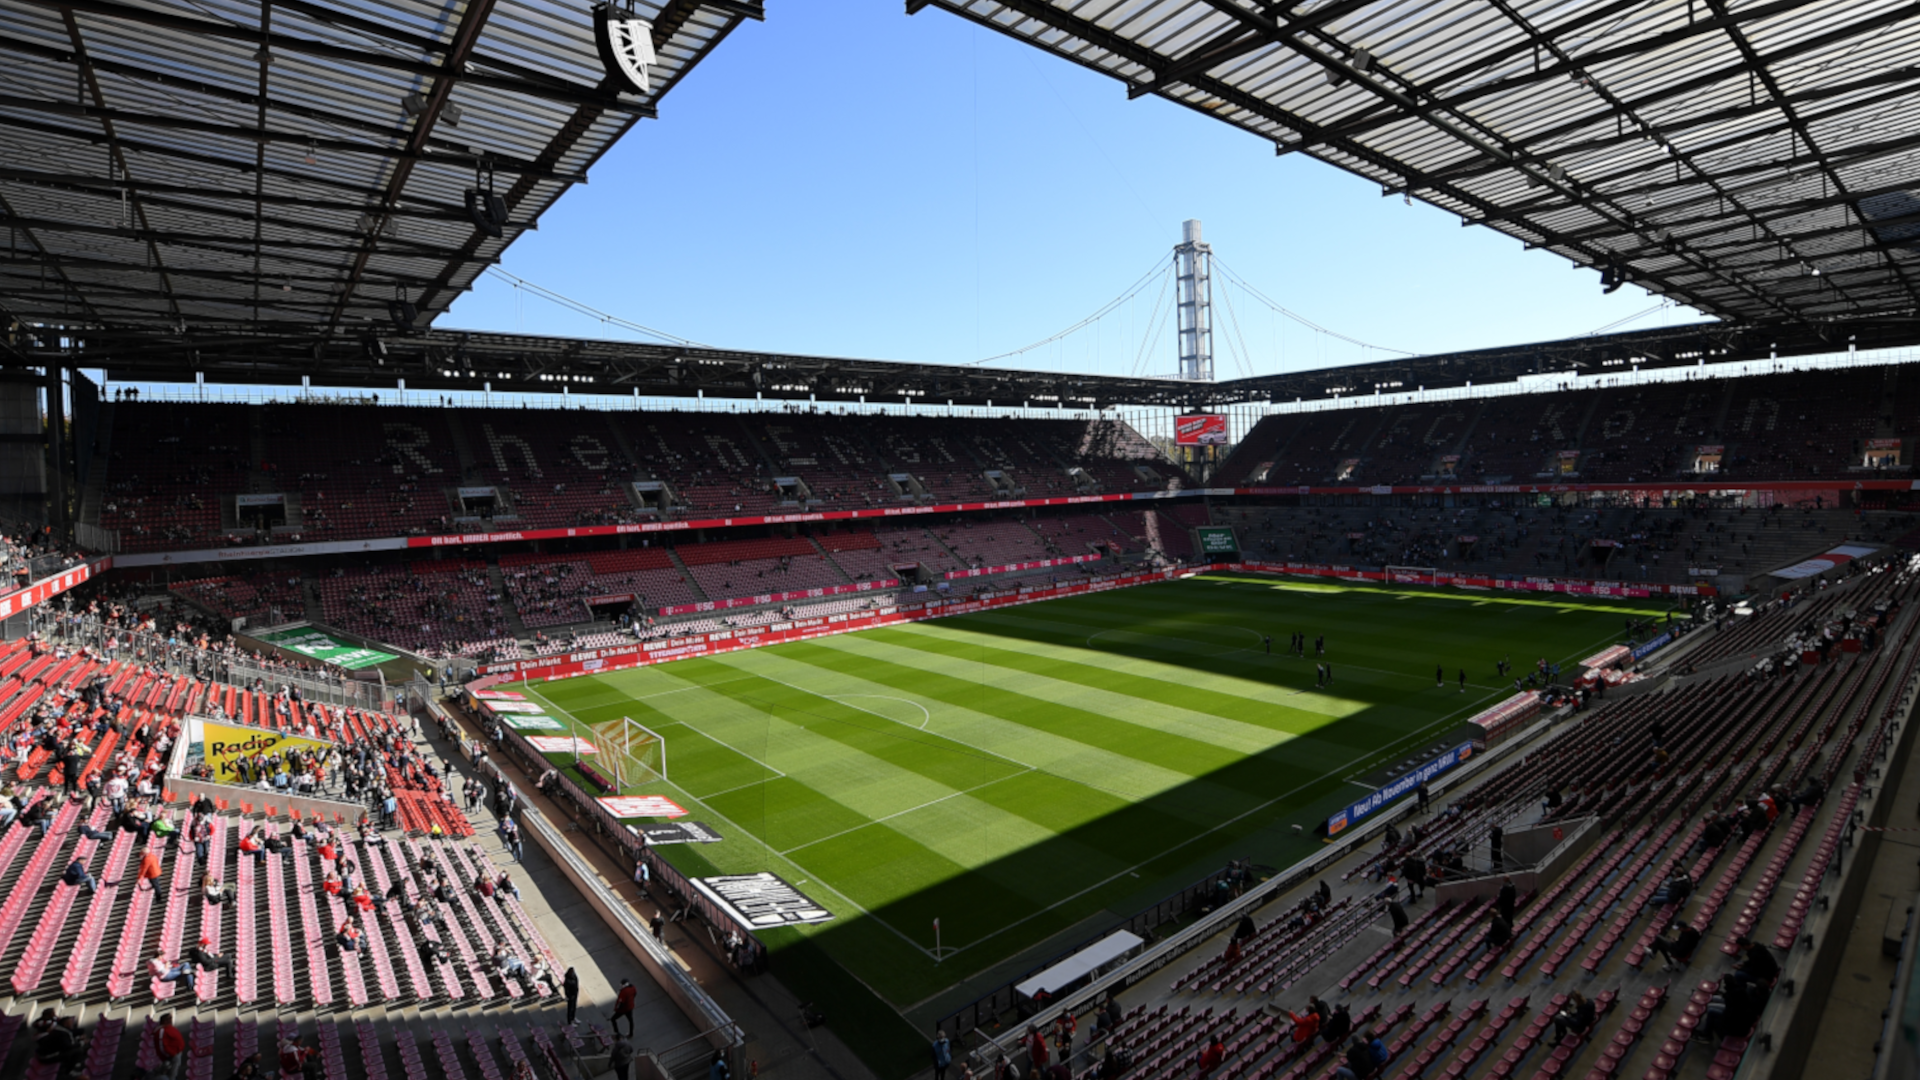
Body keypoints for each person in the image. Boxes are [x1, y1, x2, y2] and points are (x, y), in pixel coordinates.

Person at [151, 1013, 186, 1080]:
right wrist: (172, 1055)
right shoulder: (161, 1031)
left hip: (177, 1053)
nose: (170, 1021)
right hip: (172, 1056)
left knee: (175, 1072)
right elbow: (162, 1046)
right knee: (172, 1074)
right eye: (169, 1019)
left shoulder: (168, 1027)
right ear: (164, 1021)